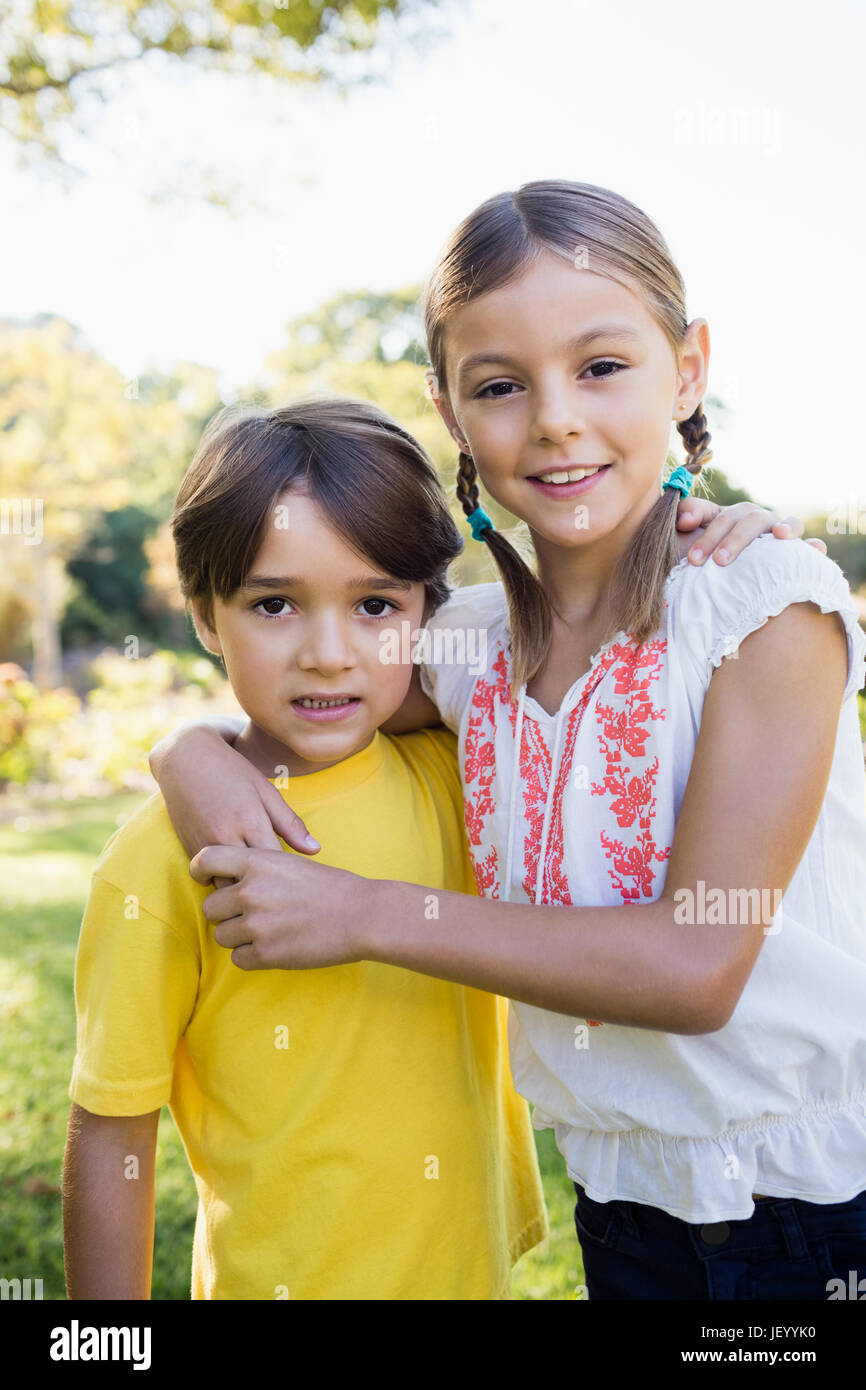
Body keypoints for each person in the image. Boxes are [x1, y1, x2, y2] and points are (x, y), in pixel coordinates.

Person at [150, 181, 866, 1302]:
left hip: (807, 1209)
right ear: (448, 410)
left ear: (685, 370)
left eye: (601, 367)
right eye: (499, 384)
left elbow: (695, 967)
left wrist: (363, 915)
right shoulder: (466, 649)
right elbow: (313, 701)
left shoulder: (760, 609)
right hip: (622, 1193)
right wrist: (186, 746)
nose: (554, 419)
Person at [62, 396, 550, 1301]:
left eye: (375, 605)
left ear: (425, 617)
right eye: (275, 604)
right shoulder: (163, 857)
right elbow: (110, 1129)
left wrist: (716, 527)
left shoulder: (463, 765)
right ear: (207, 618)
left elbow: (601, 620)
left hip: (467, 1270)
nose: (329, 654)